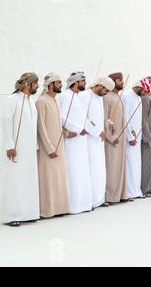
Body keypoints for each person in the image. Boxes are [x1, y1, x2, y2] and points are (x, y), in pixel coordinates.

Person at [1, 73, 40, 227]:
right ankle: (12, 215)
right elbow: (6, 122)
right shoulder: (11, 100)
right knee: (14, 181)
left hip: (30, 149)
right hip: (15, 149)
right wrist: (9, 145)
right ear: (27, 85)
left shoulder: (31, 100)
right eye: (35, 83)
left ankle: (29, 213)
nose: (37, 86)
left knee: (28, 181)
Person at [36, 73, 70, 218]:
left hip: (59, 146)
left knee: (59, 178)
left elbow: (57, 122)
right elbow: (41, 127)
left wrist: (65, 131)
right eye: (58, 83)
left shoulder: (55, 100)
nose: (61, 85)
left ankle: (59, 208)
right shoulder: (41, 101)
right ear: (50, 85)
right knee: (48, 179)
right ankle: (47, 210)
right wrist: (49, 148)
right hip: (48, 149)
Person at [60, 72, 93, 214]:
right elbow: (62, 117)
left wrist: (86, 128)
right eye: (83, 81)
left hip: (82, 139)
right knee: (73, 170)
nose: (85, 84)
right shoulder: (64, 96)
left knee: (82, 169)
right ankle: (73, 205)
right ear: (76, 82)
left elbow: (83, 117)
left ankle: (84, 204)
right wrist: (78, 129)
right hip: (72, 139)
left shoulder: (79, 97)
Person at [83, 76, 114, 208]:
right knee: (91, 170)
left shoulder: (100, 98)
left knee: (100, 170)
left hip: (99, 140)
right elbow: (84, 118)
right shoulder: (86, 96)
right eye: (106, 90)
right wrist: (97, 131)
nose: (106, 93)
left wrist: (108, 122)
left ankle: (99, 199)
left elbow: (101, 117)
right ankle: (90, 201)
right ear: (100, 86)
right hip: (89, 139)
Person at [104, 72, 128, 204]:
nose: (122, 82)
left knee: (120, 166)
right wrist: (111, 137)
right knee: (112, 167)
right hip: (112, 140)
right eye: (119, 80)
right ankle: (110, 196)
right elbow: (105, 119)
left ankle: (120, 195)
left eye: (122, 80)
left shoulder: (118, 97)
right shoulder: (107, 97)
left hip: (121, 139)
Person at [123, 79, 148, 200]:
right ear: (139, 87)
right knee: (130, 164)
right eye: (144, 91)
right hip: (131, 138)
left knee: (136, 165)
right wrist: (130, 136)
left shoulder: (138, 98)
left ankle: (136, 191)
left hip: (137, 137)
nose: (145, 93)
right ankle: (129, 192)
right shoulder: (127, 96)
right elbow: (125, 118)